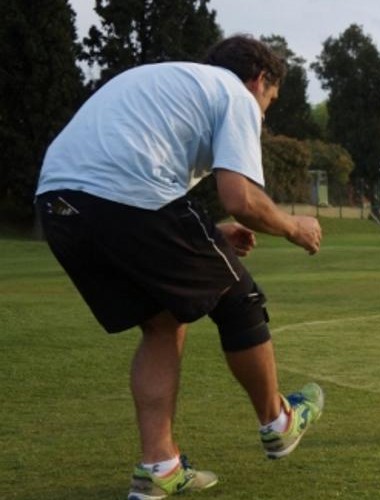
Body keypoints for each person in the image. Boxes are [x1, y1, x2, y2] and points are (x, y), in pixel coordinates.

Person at [35, 35, 325, 499]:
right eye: (271, 98)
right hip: (125, 198)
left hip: (58, 206)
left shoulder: (174, 86)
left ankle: (159, 466)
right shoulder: (235, 94)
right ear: (259, 79)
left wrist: (209, 233)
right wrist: (294, 227)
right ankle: (278, 421)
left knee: (162, 321)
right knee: (240, 299)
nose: (266, 113)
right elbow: (241, 198)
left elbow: (132, 174)